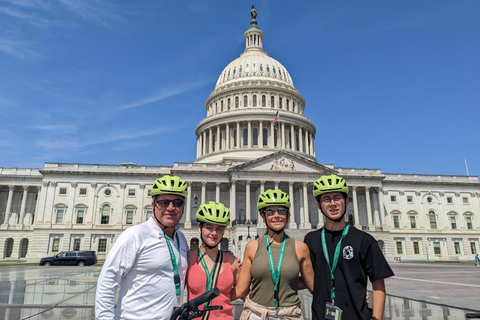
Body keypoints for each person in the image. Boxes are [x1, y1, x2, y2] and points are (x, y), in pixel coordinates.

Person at [95, 175, 189, 320]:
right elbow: (108, 279)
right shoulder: (135, 235)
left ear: (183, 207)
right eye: (163, 202)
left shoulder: (180, 238)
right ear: (153, 205)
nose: (170, 208)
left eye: (177, 202)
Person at [304, 174, 394, 320]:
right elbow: (306, 278)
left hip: (356, 316)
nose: (333, 203)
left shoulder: (364, 240)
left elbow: (378, 283)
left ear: (346, 202)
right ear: (319, 205)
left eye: (337, 198)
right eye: (326, 199)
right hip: (321, 316)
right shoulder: (311, 240)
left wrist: (376, 318)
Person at [235, 189, 314, 319]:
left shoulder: (300, 248)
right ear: (263, 216)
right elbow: (242, 289)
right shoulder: (252, 247)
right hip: (258, 315)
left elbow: (312, 284)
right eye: (270, 212)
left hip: (289, 314)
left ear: (288, 215)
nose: (276, 215)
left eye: (281, 211)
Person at [186, 201, 240, 320]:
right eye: (209, 227)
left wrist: (223, 297)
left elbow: (241, 291)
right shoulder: (188, 259)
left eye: (219, 229)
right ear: (199, 227)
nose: (214, 233)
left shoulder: (232, 261)